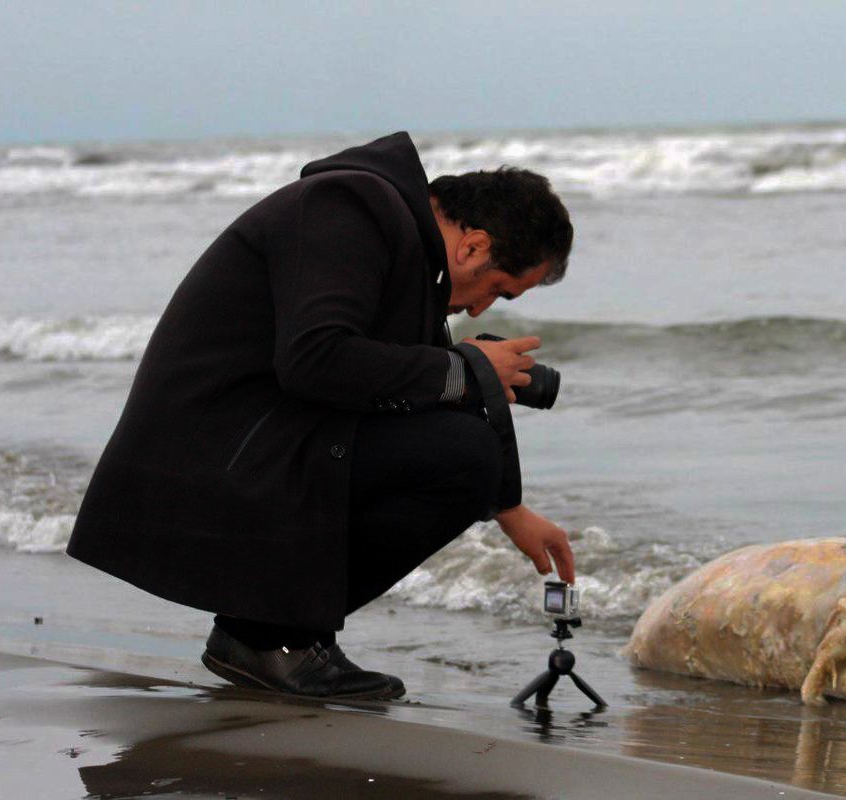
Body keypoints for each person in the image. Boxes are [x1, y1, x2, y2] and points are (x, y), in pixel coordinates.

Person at [65, 132, 577, 700]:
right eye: (500, 292)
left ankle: (276, 635)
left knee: (464, 450)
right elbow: (314, 360)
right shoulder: (350, 208)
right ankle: (267, 638)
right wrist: (462, 369)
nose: (479, 308)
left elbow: (402, 388)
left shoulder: (405, 251)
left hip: (258, 442)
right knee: (464, 454)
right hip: (209, 457)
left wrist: (507, 502)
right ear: (475, 247)